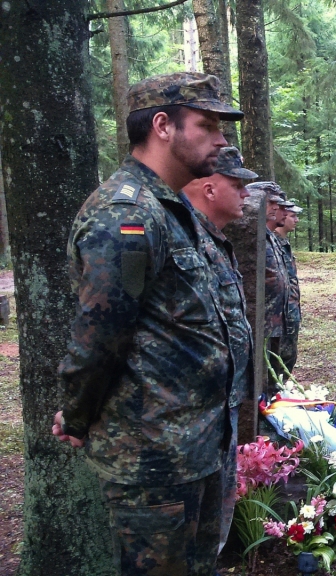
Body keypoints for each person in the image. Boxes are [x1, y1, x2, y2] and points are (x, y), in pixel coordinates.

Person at [51, 72, 242, 575]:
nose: (221, 140)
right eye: (207, 126)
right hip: (154, 460)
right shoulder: (126, 214)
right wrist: (76, 415)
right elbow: (100, 335)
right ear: (162, 126)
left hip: (197, 448)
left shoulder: (172, 208)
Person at [181, 146, 258, 554]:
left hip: (218, 416)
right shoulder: (181, 239)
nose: (246, 194)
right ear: (210, 190)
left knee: (208, 543)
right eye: (237, 184)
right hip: (184, 428)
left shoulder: (213, 240)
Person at [251, 182, 289, 383]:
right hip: (261, 322)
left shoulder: (271, 238)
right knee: (263, 377)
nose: (276, 207)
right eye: (271, 202)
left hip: (275, 320)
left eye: (278, 204)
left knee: (273, 374)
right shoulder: (254, 236)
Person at [276, 201, 302, 371]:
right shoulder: (273, 243)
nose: (296, 220)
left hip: (290, 314)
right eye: (293, 216)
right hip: (280, 319)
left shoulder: (283, 243)